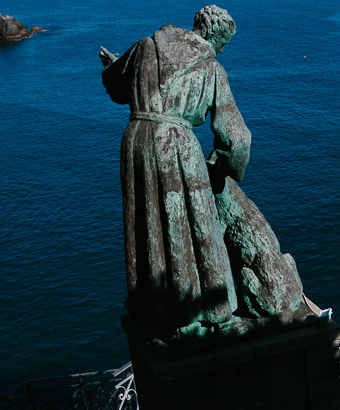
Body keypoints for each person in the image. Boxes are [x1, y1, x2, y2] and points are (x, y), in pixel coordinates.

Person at [101, 5, 250, 337]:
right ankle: (208, 312)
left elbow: (115, 87)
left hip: (136, 140)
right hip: (176, 145)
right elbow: (236, 138)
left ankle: (154, 308)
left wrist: (115, 65)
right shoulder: (211, 67)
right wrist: (223, 167)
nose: (222, 51)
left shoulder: (145, 46)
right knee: (195, 224)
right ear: (212, 35)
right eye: (223, 43)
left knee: (147, 221)